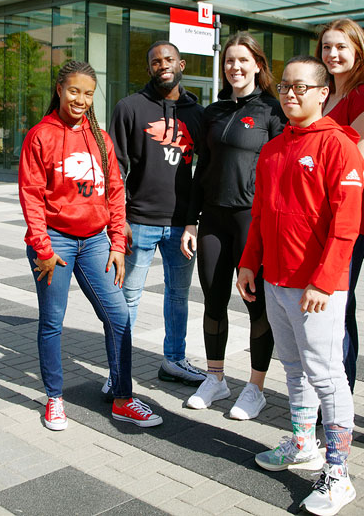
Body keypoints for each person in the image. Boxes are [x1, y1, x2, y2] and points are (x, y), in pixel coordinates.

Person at [236, 56, 363, 516]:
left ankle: (339, 473)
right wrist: (249, 263)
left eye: (302, 87)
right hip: (275, 280)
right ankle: (302, 444)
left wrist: (324, 281)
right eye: (286, 87)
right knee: (293, 366)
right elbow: (260, 217)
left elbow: (346, 226)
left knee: (327, 375)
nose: (291, 94)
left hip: (317, 288)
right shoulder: (273, 149)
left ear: (323, 92)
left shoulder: (337, 146)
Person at [19, 59, 163, 431]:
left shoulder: (100, 136)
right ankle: (54, 397)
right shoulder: (41, 135)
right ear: (59, 89)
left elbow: (116, 191)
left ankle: (123, 398)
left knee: (118, 316)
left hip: (96, 241)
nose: (80, 99)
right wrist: (43, 249)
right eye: (73, 91)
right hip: (55, 244)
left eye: (87, 93)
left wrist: (117, 243)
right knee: (52, 322)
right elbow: (31, 196)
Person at [180, 32, 286, 420]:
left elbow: (282, 172)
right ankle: (216, 378)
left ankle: (255, 387)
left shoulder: (273, 112)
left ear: (258, 64)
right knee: (212, 300)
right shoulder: (215, 111)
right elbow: (201, 168)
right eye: (229, 61)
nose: (235, 67)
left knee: (255, 305)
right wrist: (191, 222)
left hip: (251, 222)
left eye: (243, 60)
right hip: (213, 219)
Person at [109, 41, 206, 389]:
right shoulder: (129, 108)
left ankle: (174, 360)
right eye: (155, 62)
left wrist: (194, 219)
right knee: (127, 298)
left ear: (181, 64)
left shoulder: (198, 114)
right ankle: (119, 370)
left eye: (168, 60)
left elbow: (204, 172)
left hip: (182, 225)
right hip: (138, 221)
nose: (162, 65)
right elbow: (115, 168)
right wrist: (118, 220)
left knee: (178, 296)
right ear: (149, 68)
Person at [316, 19, 364, 392]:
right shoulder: (326, 95)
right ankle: (324, 397)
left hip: (343, 224)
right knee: (324, 309)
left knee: (338, 310)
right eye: (327, 47)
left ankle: (339, 402)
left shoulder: (363, 97)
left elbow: (357, 170)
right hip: (314, 221)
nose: (333, 54)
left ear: (358, 50)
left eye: (341, 46)